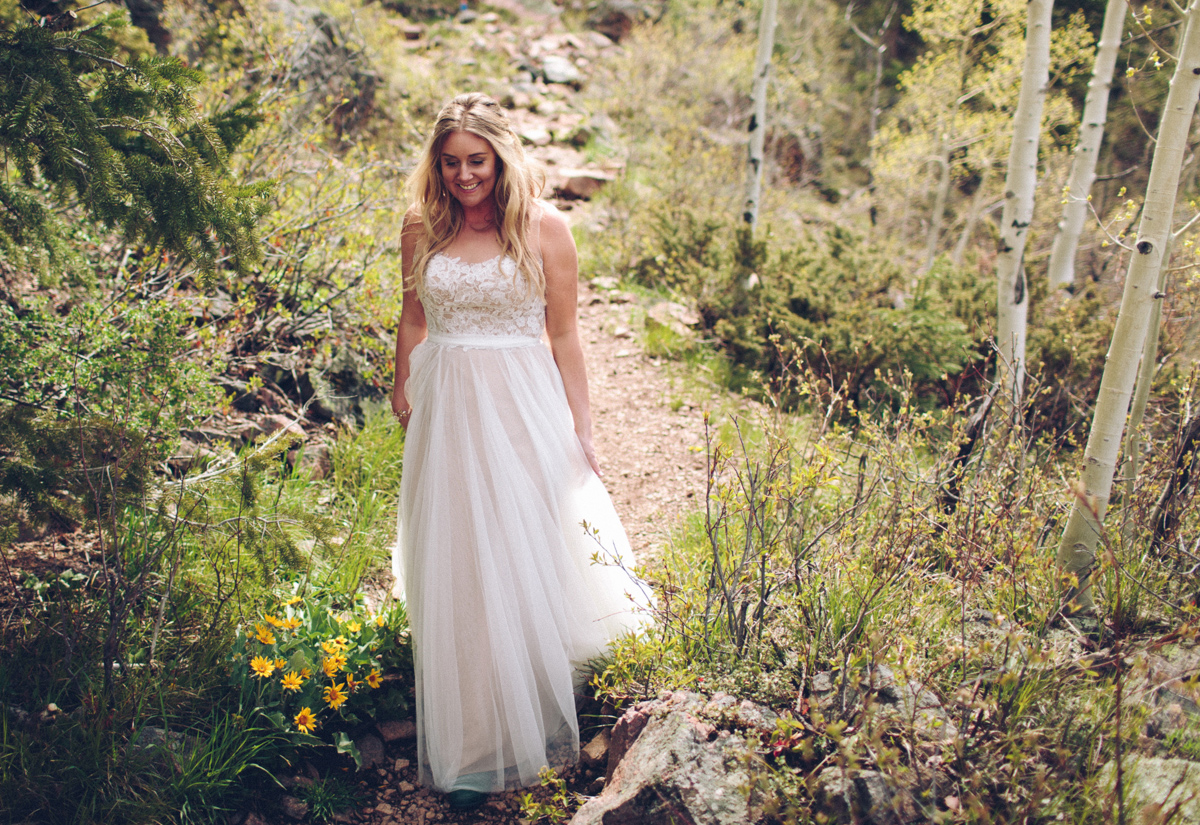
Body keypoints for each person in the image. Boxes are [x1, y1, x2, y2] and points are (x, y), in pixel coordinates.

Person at [389, 93, 647, 811]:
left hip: (520, 405)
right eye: (450, 163)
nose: (464, 175)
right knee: (459, 558)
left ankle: (539, 699)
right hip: (445, 408)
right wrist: (399, 388)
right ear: (435, 167)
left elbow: (564, 335)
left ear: (500, 157)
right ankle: (473, 738)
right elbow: (412, 318)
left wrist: (582, 427)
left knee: (522, 546)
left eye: (476, 160)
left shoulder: (544, 227)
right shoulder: (421, 229)